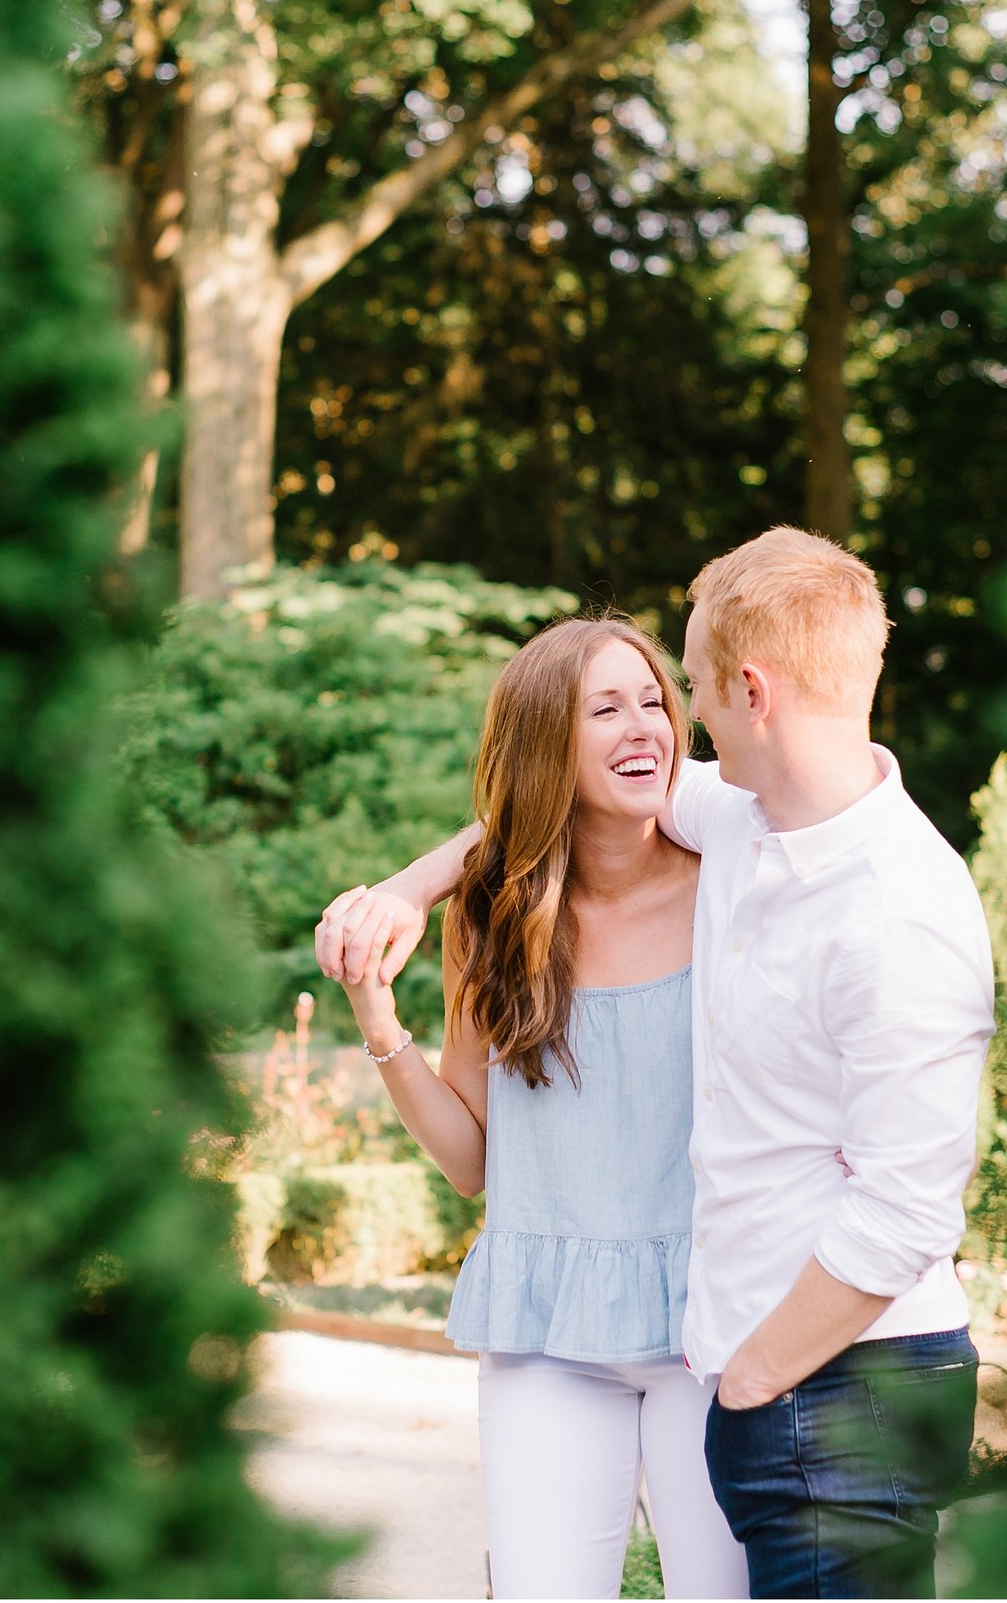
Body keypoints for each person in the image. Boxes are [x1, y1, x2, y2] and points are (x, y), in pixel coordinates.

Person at [322, 527, 996, 1599]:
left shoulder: (814, 874)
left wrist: (755, 1378)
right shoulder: (727, 826)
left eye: (672, 690)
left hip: (739, 1338)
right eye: (618, 704)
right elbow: (525, 823)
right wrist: (404, 903)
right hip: (596, 1333)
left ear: (745, 692)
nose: (662, 723)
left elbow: (908, 1204)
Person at [312, 615, 750, 1600]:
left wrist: (408, 880)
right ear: (547, 743)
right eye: (605, 708)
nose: (644, 727)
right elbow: (472, 1160)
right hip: (548, 1339)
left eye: (652, 702)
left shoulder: (728, 878)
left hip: (712, 1330)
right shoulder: (492, 918)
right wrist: (377, 1017)